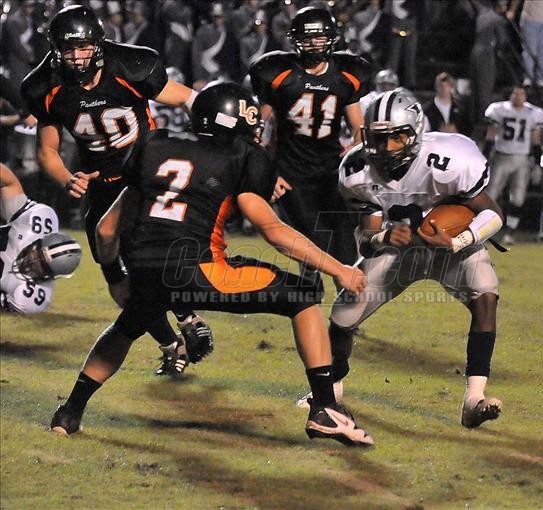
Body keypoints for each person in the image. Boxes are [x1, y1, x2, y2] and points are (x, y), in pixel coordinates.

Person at [49, 82, 373, 447]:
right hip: (199, 269)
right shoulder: (243, 155)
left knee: (128, 325)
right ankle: (325, 408)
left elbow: (107, 229)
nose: (255, 129)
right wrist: (339, 269)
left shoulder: (154, 145)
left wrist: (115, 277)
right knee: (303, 294)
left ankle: (69, 412)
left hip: (145, 268)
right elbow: (274, 231)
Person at [21, 5, 212, 377]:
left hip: (145, 176)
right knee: (114, 273)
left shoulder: (130, 66)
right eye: (68, 49)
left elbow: (188, 98)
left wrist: (208, 139)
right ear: (55, 49)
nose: (77, 57)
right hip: (101, 185)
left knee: (145, 257)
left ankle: (186, 316)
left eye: (83, 47)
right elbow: (47, 149)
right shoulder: (44, 86)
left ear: (98, 44)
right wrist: (66, 178)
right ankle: (170, 342)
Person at [300, 89, 505, 429]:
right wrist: (383, 237)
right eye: (379, 139)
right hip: (400, 251)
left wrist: (458, 240)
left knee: (486, 295)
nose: (387, 147)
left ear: (415, 132)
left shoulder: (452, 158)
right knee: (344, 314)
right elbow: (366, 240)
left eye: (397, 137)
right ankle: (330, 393)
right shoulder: (356, 170)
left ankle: (474, 399)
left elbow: (494, 214)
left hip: (450, 246)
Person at [249, 6, 371, 288]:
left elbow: (358, 128)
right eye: (307, 38)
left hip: (331, 171)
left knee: (344, 245)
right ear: (295, 40)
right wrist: (267, 172)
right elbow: (256, 128)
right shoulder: (277, 73)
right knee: (313, 242)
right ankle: (308, 289)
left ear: (331, 39)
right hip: (290, 173)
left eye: (319, 38)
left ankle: (347, 303)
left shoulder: (347, 74)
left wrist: (355, 155)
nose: (314, 44)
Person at [0, 164, 81, 314]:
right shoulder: (35, 221)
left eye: (42, 266)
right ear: (40, 241)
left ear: (52, 275)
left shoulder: (30, 298)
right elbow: (9, 183)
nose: (33, 262)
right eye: (38, 254)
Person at [483, 85, 543, 244]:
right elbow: (491, 135)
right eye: (515, 93)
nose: (518, 96)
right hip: (501, 156)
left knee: (518, 197)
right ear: (510, 94)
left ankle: (510, 232)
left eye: (521, 94)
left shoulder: (533, 113)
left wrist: (538, 163)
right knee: (491, 195)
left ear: (525, 96)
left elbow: (536, 140)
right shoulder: (498, 109)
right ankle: (484, 230)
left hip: (521, 159)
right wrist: (484, 158)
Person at [423, 72, 472, 136]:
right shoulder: (427, 110)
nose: (443, 89)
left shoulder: (460, 109)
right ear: (436, 87)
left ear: (451, 88)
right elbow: (424, 133)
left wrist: (455, 131)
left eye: (446, 86)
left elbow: (468, 129)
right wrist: (439, 133)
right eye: (440, 86)